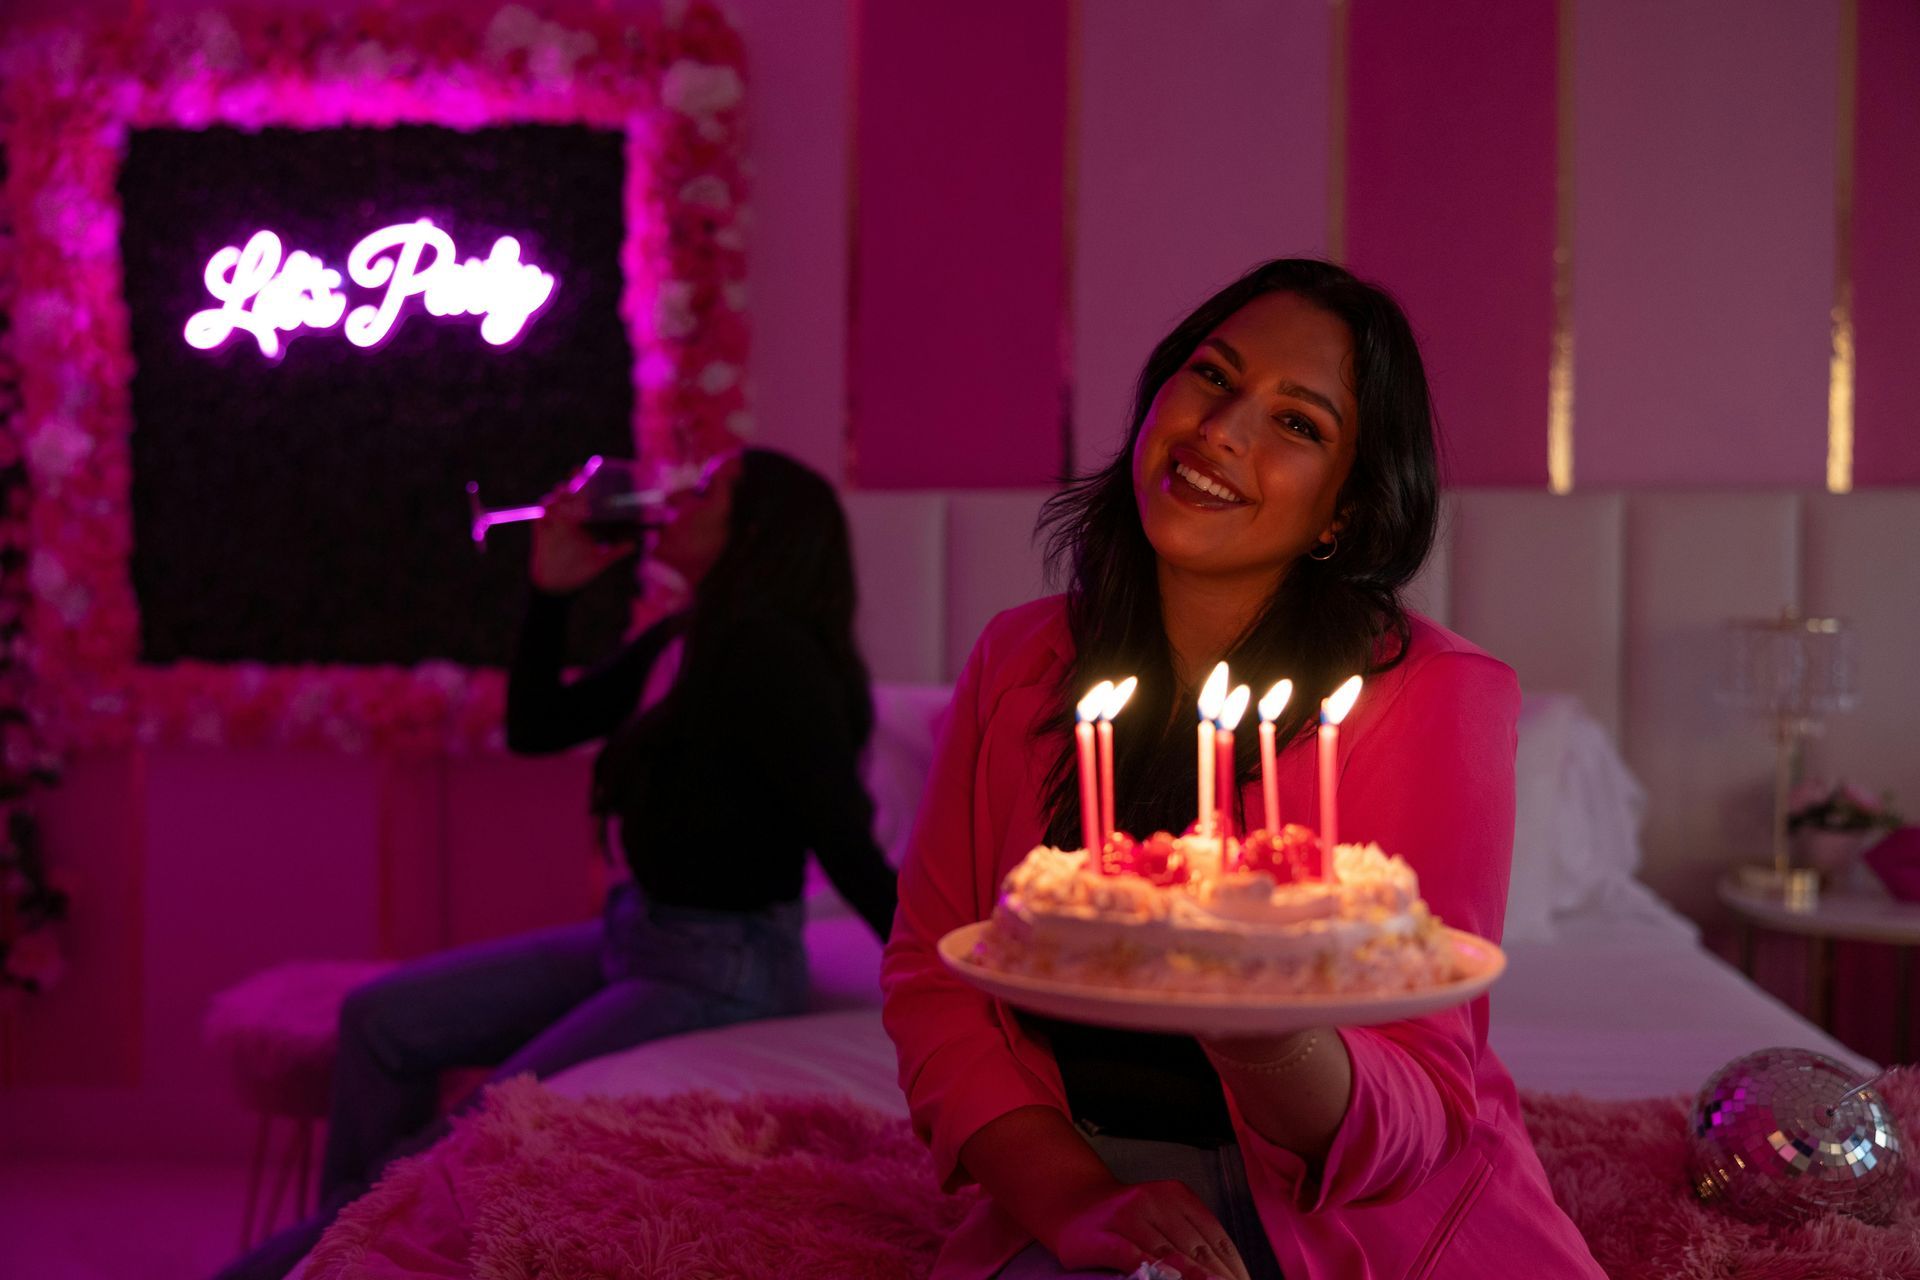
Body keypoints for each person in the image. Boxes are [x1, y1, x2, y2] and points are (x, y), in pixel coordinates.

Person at [879, 259, 1604, 1280]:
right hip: (1078, 1174)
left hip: (1361, 1227)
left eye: (1298, 423)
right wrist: (1073, 1197)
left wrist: (1263, 1033)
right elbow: (934, 978)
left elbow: (1424, 1099)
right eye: (1213, 376)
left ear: (1343, 511)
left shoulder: (1436, 695)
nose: (1222, 429)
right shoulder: (1020, 659)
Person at [216, 446, 897, 1280]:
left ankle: (295, 1265)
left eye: (704, 491)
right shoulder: (689, 638)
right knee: (380, 1022)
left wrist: (944, 981)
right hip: (637, 935)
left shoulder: (774, 656)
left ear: (756, 531)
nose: (671, 499)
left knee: (461, 1133)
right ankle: (343, 1251)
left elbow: (846, 841)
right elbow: (537, 726)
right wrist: (550, 593)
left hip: (720, 967)